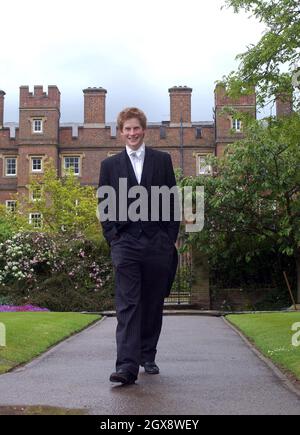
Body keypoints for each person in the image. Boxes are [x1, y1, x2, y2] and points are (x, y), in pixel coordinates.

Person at [98, 107, 180, 385]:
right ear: (120, 132)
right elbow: (104, 206)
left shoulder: (162, 160)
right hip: (125, 244)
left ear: (144, 130)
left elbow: (172, 201)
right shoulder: (109, 166)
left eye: (136, 128)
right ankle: (126, 366)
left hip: (157, 243)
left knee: (153, 303)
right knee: (128, 304)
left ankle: (148, 354)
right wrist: (113, 238)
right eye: (127, 129)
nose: (132, 133)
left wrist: (169, 238)